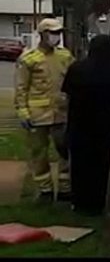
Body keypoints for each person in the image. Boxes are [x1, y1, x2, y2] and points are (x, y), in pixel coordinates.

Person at [14, 18, 74, 201]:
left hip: (61, 113)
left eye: (58, 33)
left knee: (65, 151)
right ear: (42, 34)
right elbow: (21, 87)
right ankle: (45, 189)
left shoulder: (65, 56)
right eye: (52, 33)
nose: (56, 37)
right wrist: (23, 112)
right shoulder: (28, 59)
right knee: (39, 153)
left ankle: (65, 189)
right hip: (37, 115)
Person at [61, 35, 110, 215]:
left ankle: (79, 203)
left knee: (80, 166)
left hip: (79, 126)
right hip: (104, 128)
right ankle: (97, 204)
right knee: (100, 167)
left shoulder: (77, 68)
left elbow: (66, 95)